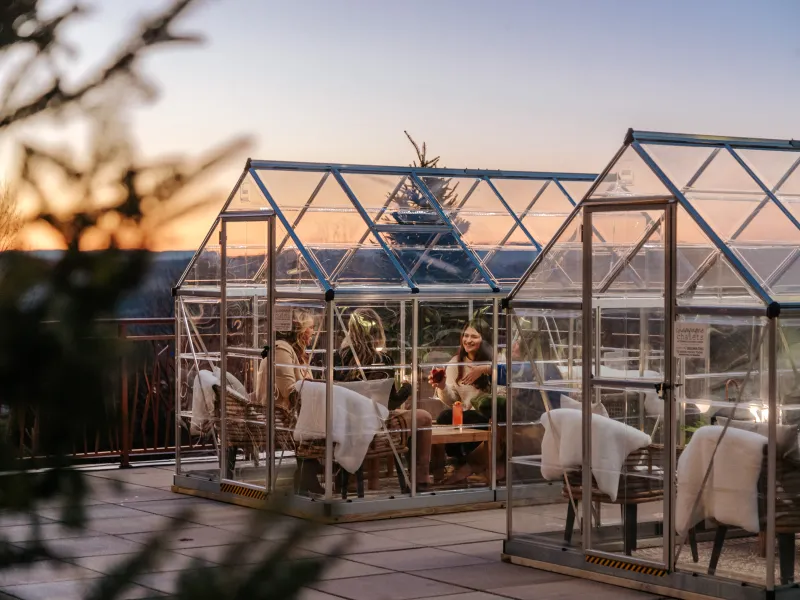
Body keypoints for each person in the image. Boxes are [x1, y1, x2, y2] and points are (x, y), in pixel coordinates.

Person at [335, 308, 433, 491]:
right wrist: (407, 388)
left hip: (343, 422)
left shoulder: (337, 357)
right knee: (424, 417)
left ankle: (351, 479)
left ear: (351, 330)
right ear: (378, 330)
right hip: (375, 422)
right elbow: (390, 403)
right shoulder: (382, 359)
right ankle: (421, 477)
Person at [256, 309, 323, 495]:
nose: (313, 332)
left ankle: (308, 473)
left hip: (297, 412)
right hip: (282, 414)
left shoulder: (293, 351)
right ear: (300, 331)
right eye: (311, 328)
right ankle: (309, 472)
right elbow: (289, 390)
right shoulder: (281, 349)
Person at [428, 319, 494, 463]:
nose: (468, 340)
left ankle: (465, 460)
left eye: (474, 337)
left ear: (485, 340)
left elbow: (503, 394)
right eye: (466, 335)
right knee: (445, 416)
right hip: (465, 414)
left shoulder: (496, 362)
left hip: (488, 416)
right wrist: (442, 386)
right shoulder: (456, 362)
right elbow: (452, 400)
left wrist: (487, 371)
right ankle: (457, 458)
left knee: (475, 417)